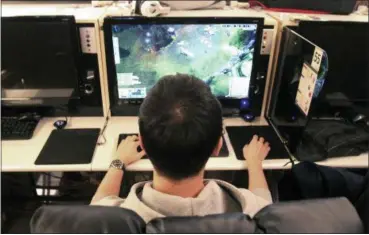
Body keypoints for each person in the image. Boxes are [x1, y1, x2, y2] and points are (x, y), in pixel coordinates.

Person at [91, 74, 272, 223]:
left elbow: (98, 206)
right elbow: (264, 201)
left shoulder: (111, 222)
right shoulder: (253, 214)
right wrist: (255, 164)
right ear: (218, 146)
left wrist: (118, 162)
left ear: (142, 143)